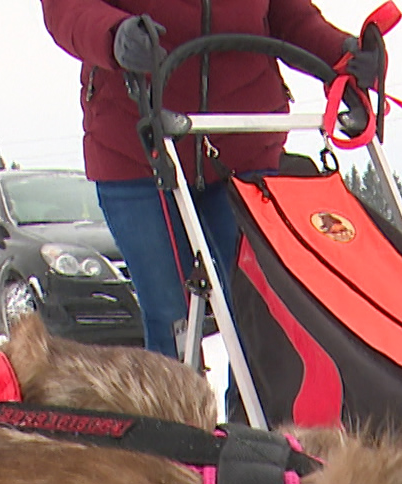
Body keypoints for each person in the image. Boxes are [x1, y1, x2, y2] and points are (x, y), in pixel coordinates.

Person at [40, 0, 383, 421]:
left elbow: (285, 14)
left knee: (256, 306)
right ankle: (175, 441)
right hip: (137, 147)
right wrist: (113, 35)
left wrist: (341, 53)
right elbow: (67, 8)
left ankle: (254, 439)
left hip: (241, 144)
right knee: (170, 311)